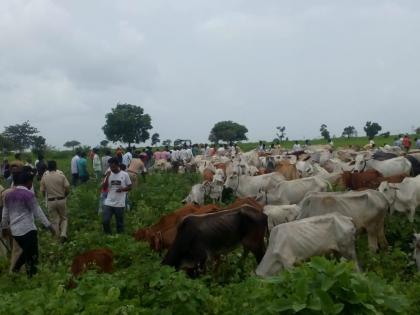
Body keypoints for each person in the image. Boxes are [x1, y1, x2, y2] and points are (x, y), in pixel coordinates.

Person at [1, 166, 55, 277]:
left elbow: (5, 213)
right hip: (28, 230)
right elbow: (38, 212)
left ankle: (16, 270)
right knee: (33, 256)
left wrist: (4, 227)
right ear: (28, 182)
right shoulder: (28, 195)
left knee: (26, 252)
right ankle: (32, 277)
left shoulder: (8, 195)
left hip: (16, 232)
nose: (32, 184)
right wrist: (49, 226)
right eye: (31, 181)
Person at [40, 161, 70, 243]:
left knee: (54, 221)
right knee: (64, 218)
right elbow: (67, 187)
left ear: (47, 168)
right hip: (61, 199)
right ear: (56, 167)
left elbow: (42, 190)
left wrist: (45, 197)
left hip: (51, 201)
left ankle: (56, 239)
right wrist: (65, 194)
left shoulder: (44, 177)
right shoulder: (61, 175)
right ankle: (63, 234)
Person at [102, 158, 132, 234]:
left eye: (113, 167)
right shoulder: (108, 174)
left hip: (120, 203)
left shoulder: (124, 174)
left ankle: (120, 237)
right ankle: (108, 236)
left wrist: (122, 189)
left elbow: (130, 187)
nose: (111, 169)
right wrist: (107, 177)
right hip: (109, 202)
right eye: (110, 167)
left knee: (119, 223)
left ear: (118, 165)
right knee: (105, 221)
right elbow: (104, 188)